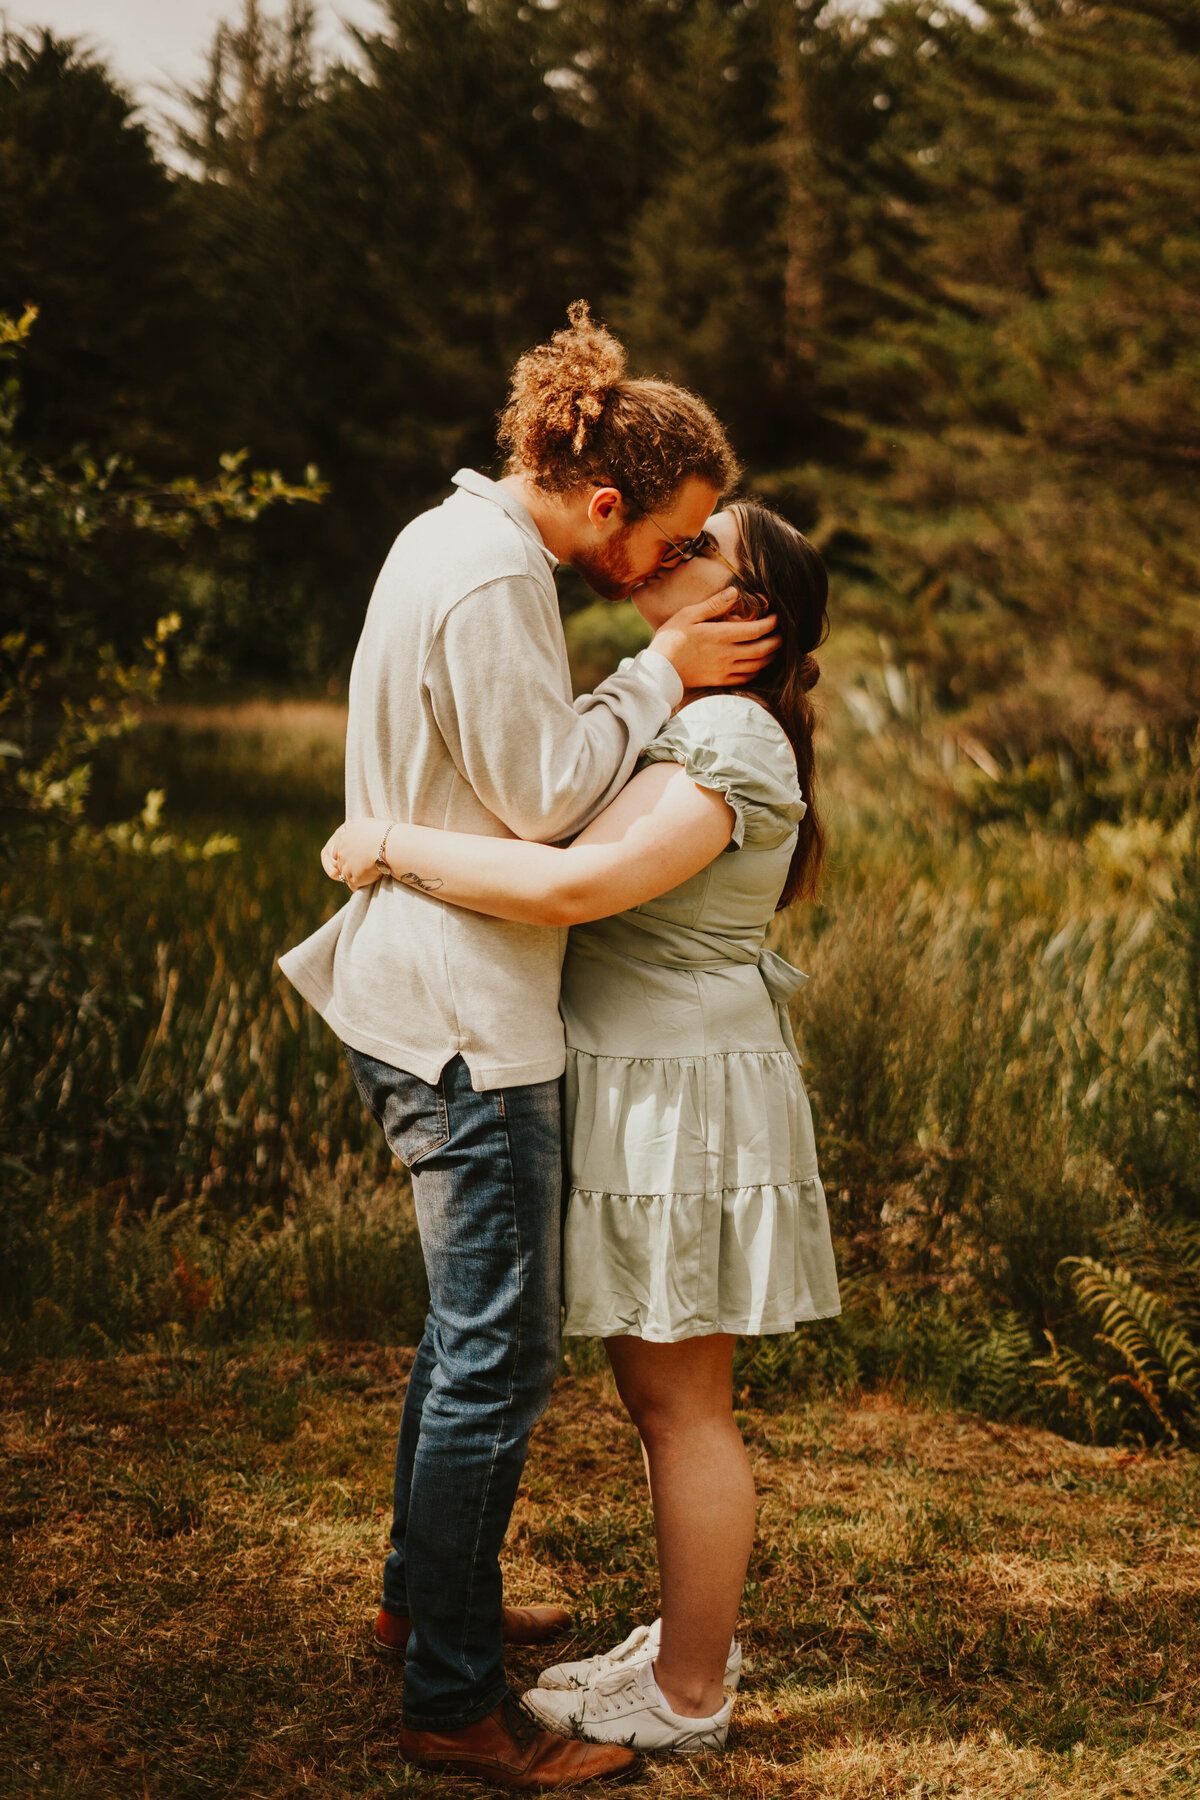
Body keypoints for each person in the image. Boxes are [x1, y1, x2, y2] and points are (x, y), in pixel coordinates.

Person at [278, 302, 780, 1791]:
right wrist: (664, 676)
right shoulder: (499, 577)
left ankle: (422, 1599)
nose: (667, 577)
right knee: (496, 1358)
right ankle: (452, 1703)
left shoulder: (452, 537)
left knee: (464, 1335)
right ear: (609, 504)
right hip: (464, 1018)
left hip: (433, 986)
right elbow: (545, 803)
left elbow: (498, 777)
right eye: (669, 542)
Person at [324, 497, 842, 1757]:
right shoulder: (694, 714)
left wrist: (384, 842)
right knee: (658, 1396)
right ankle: (679, 1647)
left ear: (750, 610)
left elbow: (570, 883)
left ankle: (689, 1694)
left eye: (703, 546)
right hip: (650, 1079)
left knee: (684, 1407)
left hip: (687, 1094)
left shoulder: (728, 731)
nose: (671, 553)